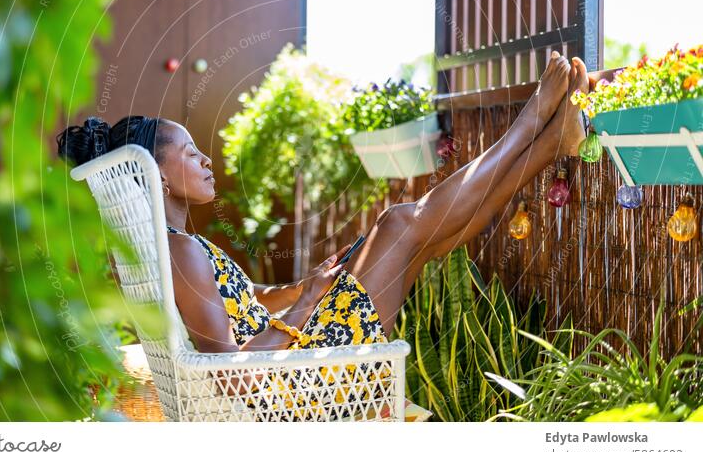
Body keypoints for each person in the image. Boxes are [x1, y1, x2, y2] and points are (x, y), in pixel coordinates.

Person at [57, 53, 589, 419]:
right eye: (190, 152)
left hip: (291, 358)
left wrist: (299, 289)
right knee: (401, 226)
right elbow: (228, 373)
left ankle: (548, 146)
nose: (205, 158)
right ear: (156, 171)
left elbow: (247, 303)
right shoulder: (180, 252)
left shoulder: (179, 245)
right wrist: (306, 304)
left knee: (419, 239)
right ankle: (532, 122)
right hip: (292, 387)